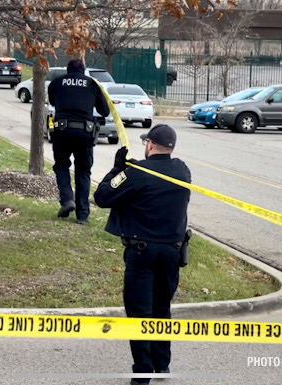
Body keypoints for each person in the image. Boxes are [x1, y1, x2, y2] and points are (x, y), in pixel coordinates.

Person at [93, 124, 191, 385]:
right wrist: (132, 168)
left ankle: (142, 372)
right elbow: (158, 176)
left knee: (139, 313)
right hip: (172, 253)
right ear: (171, 148)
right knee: (162, 309)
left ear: (149, 145)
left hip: (142, 253)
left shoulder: (135, 174)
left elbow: (102, 197)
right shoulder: (182, 170)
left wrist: (118, 169)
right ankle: (162, 366)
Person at [48, 59, 110, 224]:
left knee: (61, 165)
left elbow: (53, 102)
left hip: (62, 130)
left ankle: (67, 199)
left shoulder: (57, 82)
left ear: (67, 70)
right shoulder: (92, 84)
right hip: (85, 132)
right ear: (84, 70)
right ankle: (82, 215)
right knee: (83, 170)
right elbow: (105, 111)